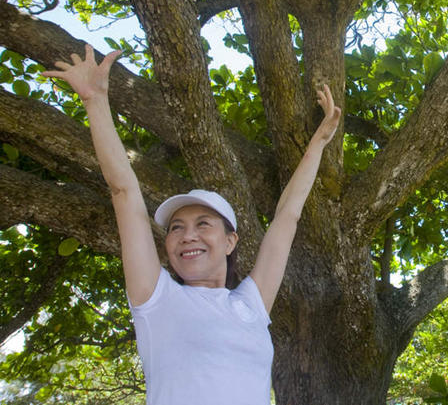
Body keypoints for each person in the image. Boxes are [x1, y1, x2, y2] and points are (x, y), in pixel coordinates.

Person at [42, 44, 341, 405]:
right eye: (176, 228)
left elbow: (288, 216)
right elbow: (124, 190)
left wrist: (319, 144)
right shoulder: (156, 298)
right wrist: (95, 101)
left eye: (203, 223)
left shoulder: (251, 304)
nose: (187, 235)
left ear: (231, 241)